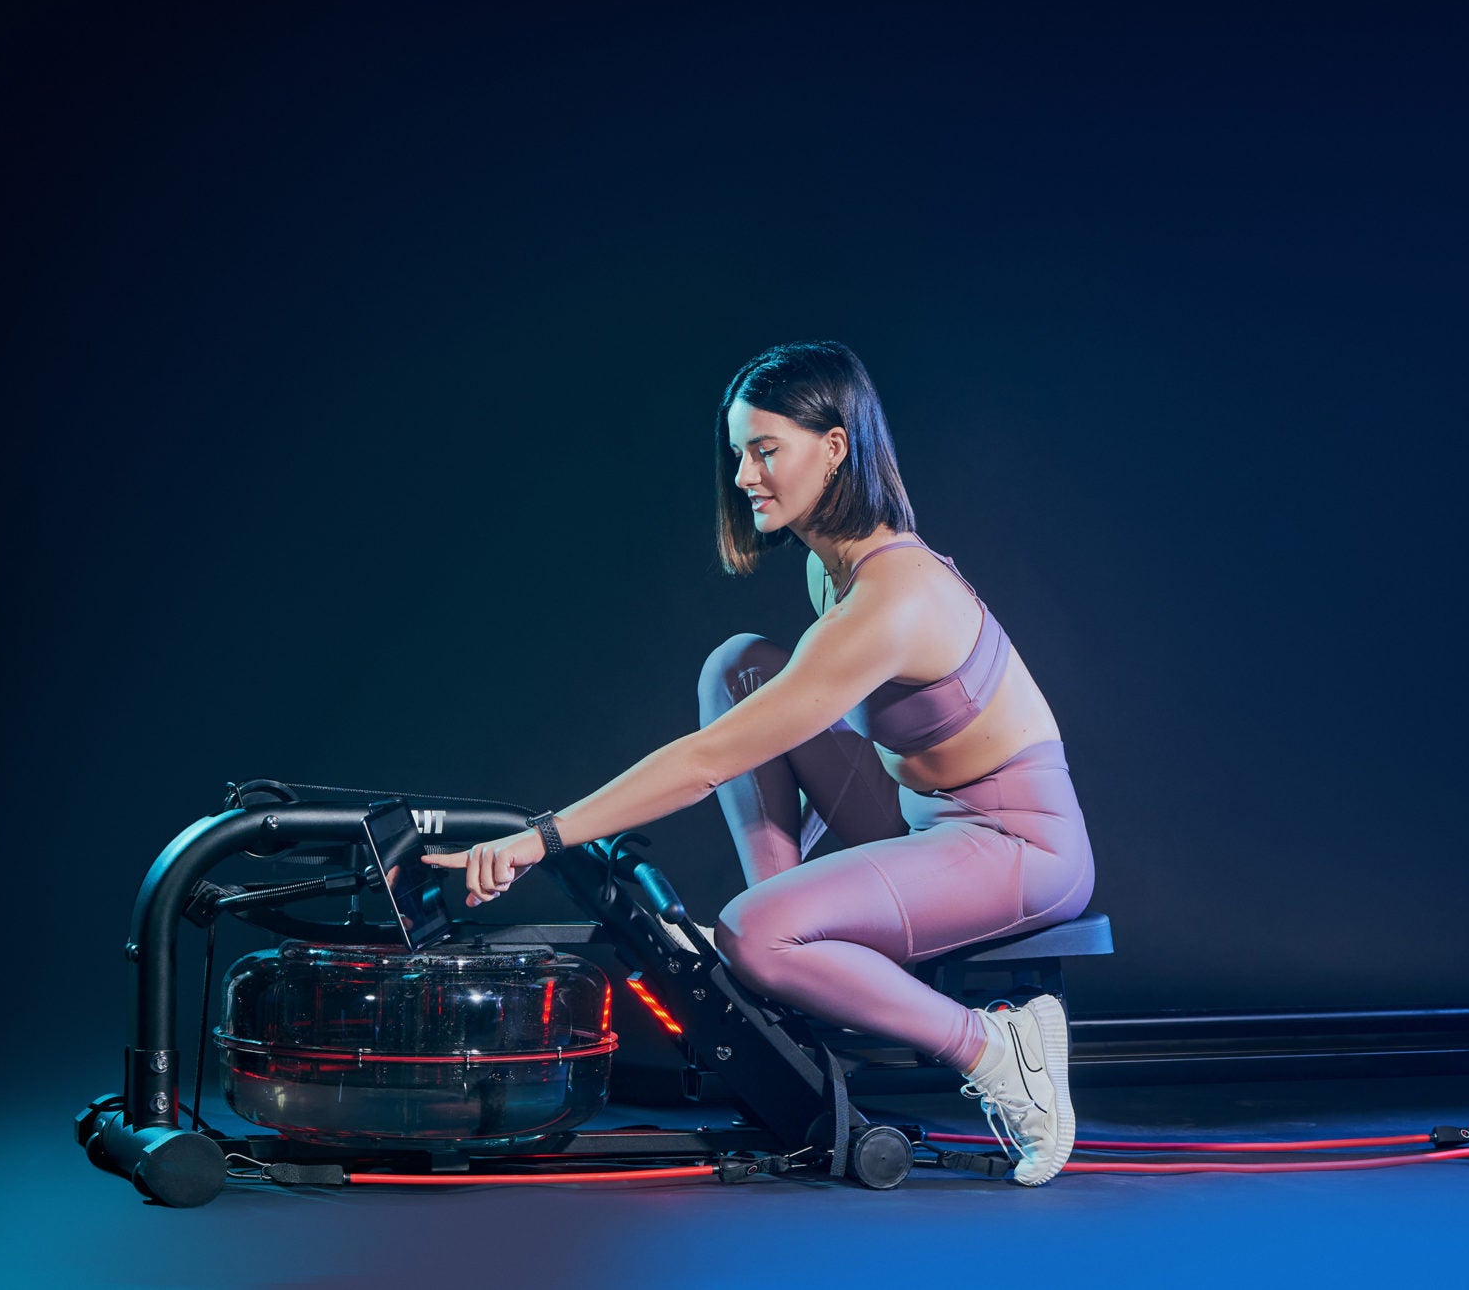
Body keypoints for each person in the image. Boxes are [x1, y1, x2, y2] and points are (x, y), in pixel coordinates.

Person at [422, 340, 1096, 1185]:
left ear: (836, 446)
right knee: (739, 665)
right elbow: (772, 722)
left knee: (755, 928)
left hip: (1018, 847)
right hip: (919, 818)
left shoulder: (894, 597)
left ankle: (1000, 1048)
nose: (744, 474)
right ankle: (774, 979)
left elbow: (712, 759)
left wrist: (540, 838)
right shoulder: (831, 570)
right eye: (738, 451)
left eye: (765, 448)